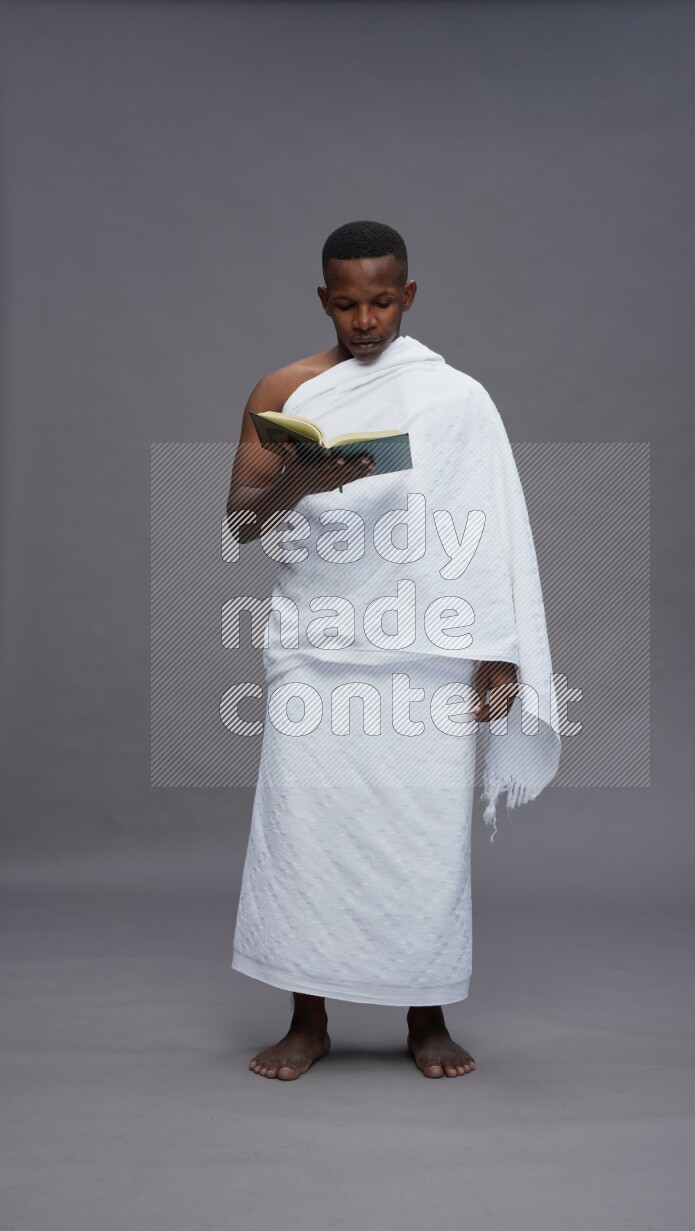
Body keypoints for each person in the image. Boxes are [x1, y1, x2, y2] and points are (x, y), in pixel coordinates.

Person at [225, 220, 558, 1080]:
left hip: (427, 651)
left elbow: (490, 531)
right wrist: (304, 479)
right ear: (323, 298)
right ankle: (308, 1019)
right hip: (319, 645)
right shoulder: (287, 390)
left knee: (423, 832)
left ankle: (426, 1013)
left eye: (381, 301)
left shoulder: (457, 399)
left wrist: (500, 653)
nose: (365, 319)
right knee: (305, 831)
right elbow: (240, 523)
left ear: (408, 296)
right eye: (347, 303)